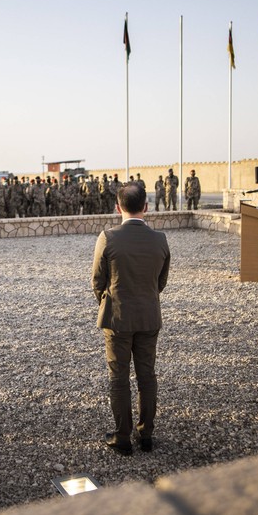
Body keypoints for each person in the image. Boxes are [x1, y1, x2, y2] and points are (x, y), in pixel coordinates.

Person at [91, 183, 171, 455]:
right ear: (146, 207)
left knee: (119, 378)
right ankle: (146, 434)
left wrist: (109, 301)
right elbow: (161, 281)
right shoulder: (160, 239)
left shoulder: (108, 237)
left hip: (117, 318)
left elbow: (97, 281)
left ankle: (123, 437)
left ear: (118, 207)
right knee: (147, 376)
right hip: (149, 317)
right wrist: (146, 298)